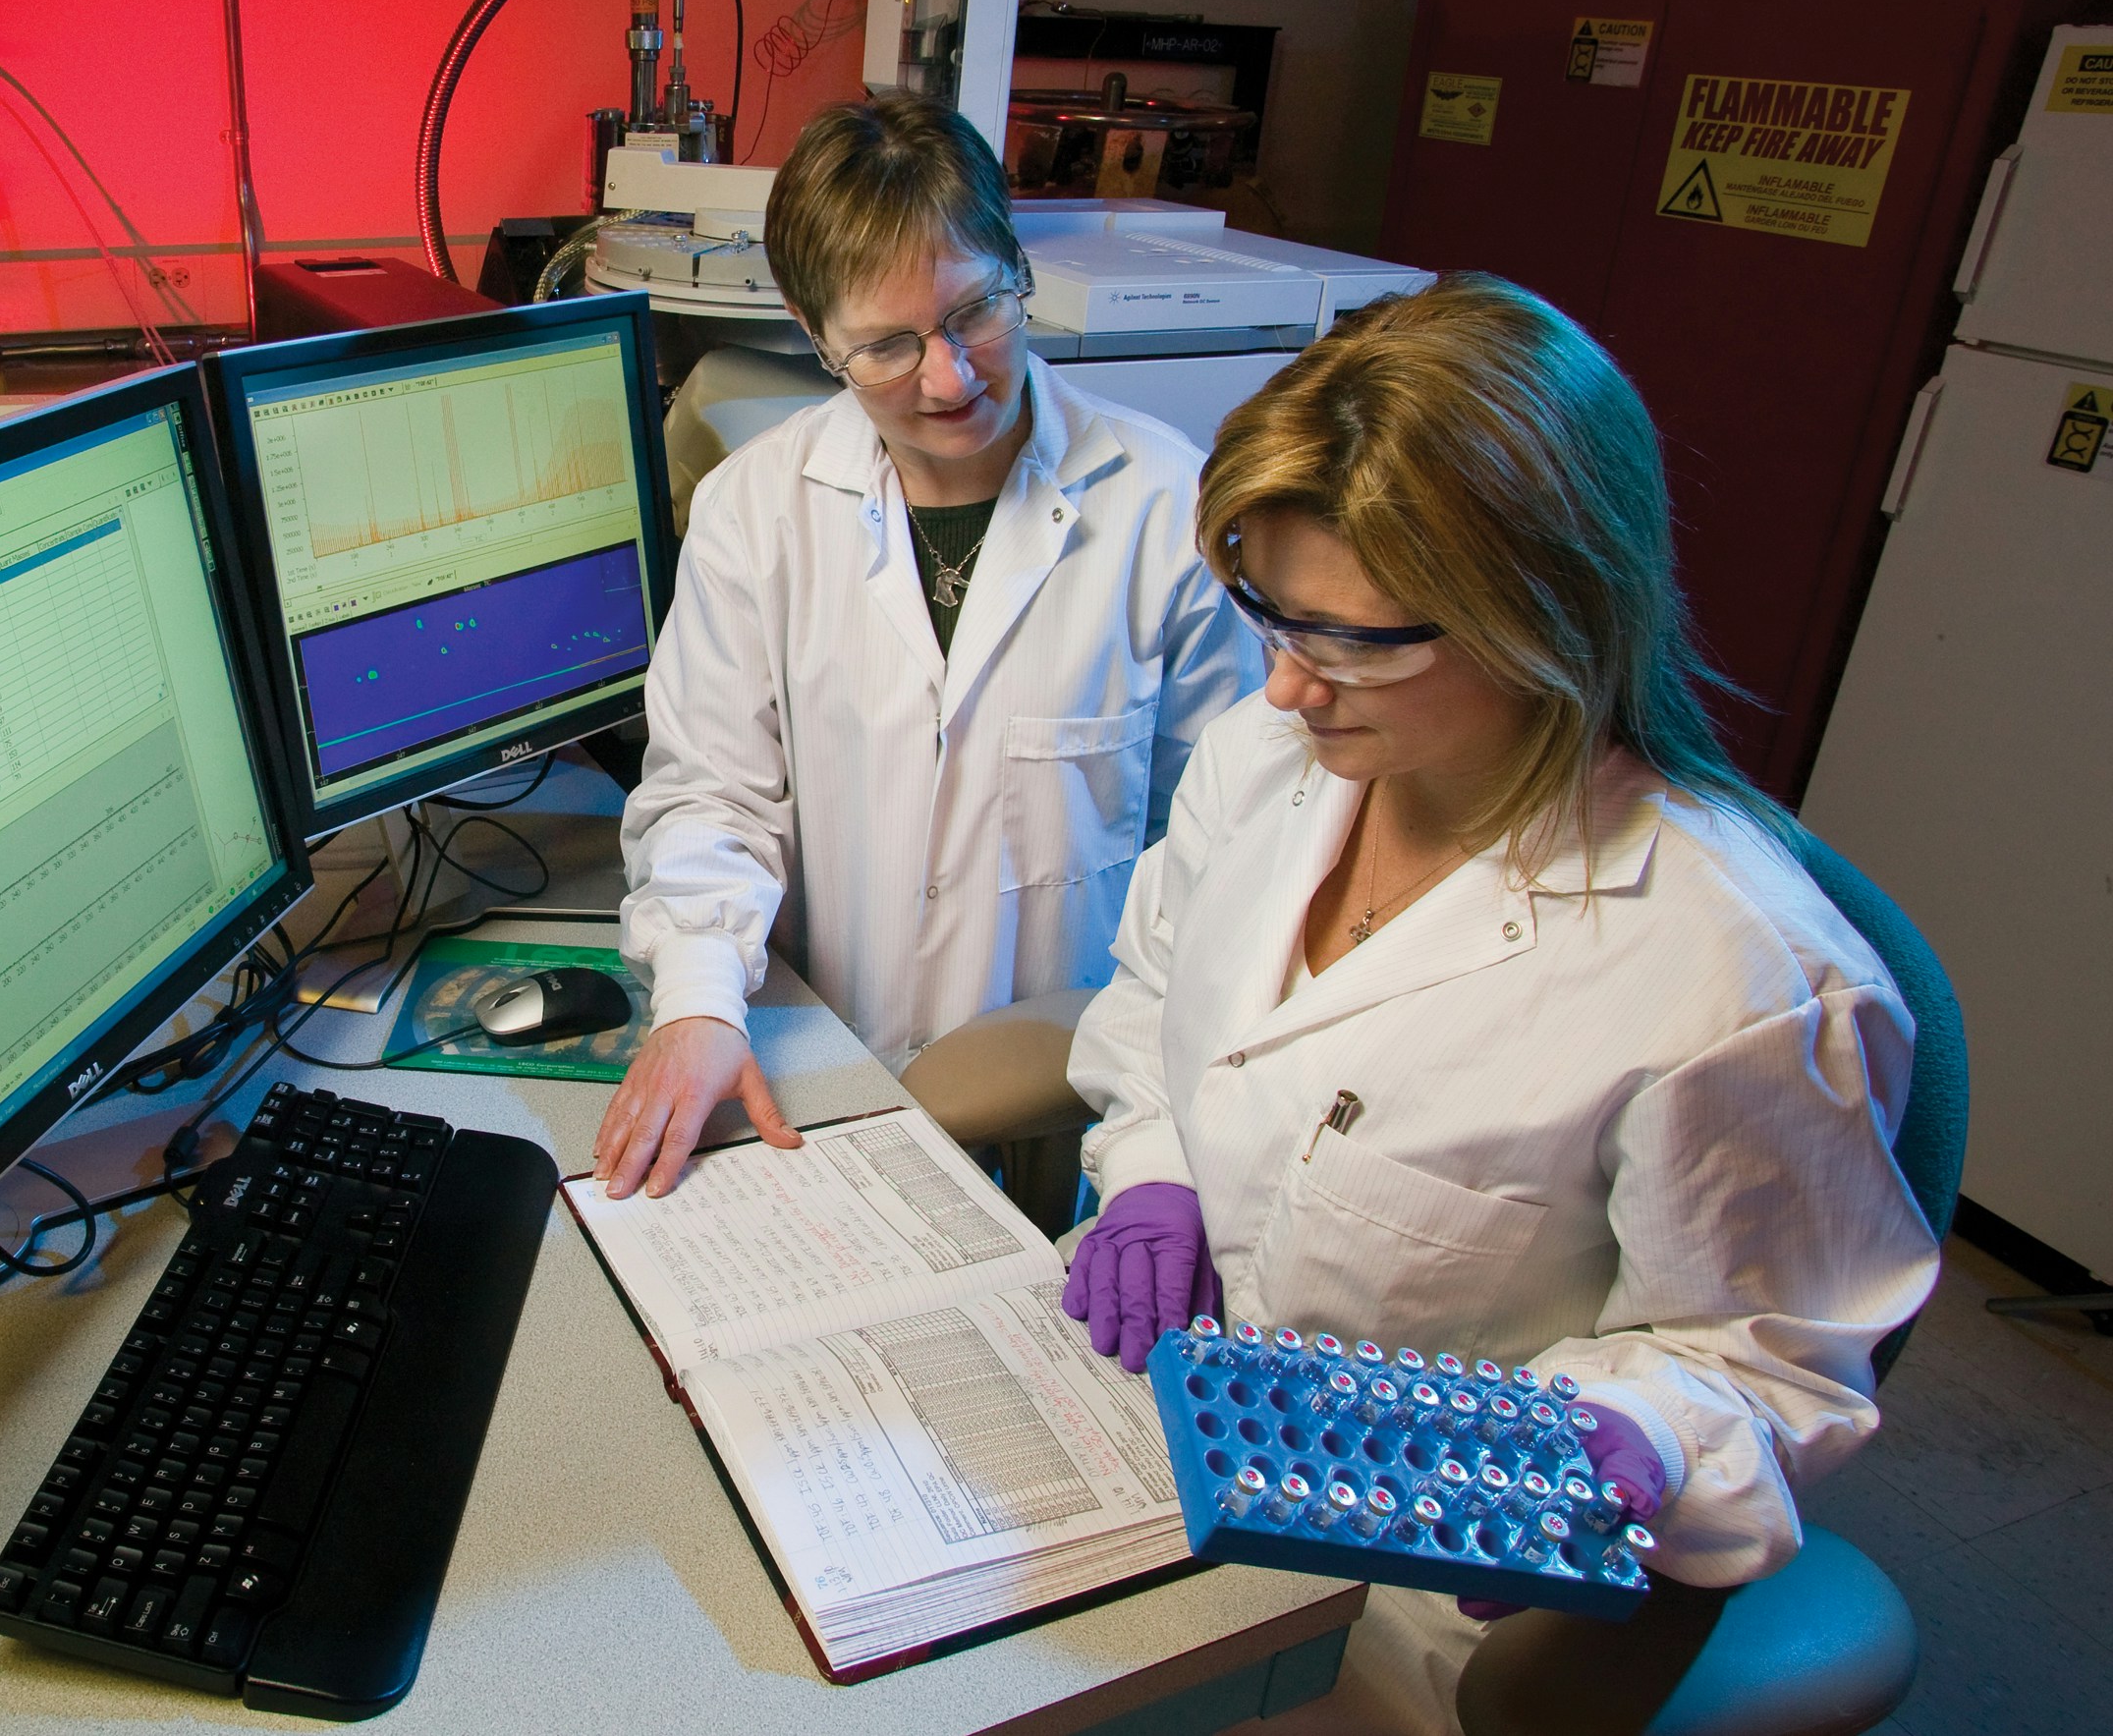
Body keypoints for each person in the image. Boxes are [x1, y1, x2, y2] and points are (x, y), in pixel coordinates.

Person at [1058, 273, 1939, 1731]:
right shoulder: (1264, 768)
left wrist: (1644, 1437)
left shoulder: (1735, 981)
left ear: (1549, 614)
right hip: (1147, 1433)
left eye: (1353, 640)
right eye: (1269, 614)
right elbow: (1163, 999)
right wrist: (1151, 1171)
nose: (1286, 689)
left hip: (1410, 1592)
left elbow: (1772, 1356)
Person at [594, 93, 1258, 1199]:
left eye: (975, 315)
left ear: (1016, 270)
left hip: (1081, 1109)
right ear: (816, 338)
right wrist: (702, 1001)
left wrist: (1163, 1138)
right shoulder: (759, 510)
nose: (949, 378)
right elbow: (713, 793)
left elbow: (1230, 849)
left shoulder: (1165, 510)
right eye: (888, 347)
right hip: (816, 1074)